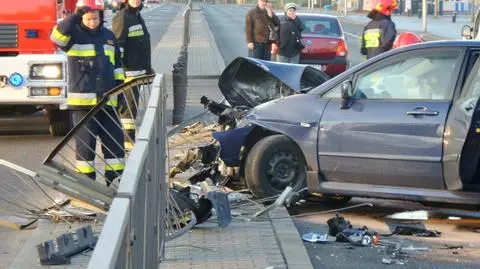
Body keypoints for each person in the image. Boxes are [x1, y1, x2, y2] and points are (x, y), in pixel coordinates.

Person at [50, 0, 126, 186]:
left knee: (115, 150)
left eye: (96, 18)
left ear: (101, 17)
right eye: (89, 18)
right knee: (85, 154)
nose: (93, 22)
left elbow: (117, 65)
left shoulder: (108, 36)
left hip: (108, 104)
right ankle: (87, 190)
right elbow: (56, 37)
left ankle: (116, 189)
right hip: (84, 108)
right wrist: (74, 16)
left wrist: (121, 90)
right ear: (82, 17)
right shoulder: (73, 35)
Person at [112, 0, 153, 151]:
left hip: (137, 73)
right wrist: (120, 73)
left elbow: (141, 45)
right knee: (127, 110)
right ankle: (127, 143)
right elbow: (117, 48)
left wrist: (148, 69)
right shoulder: (123, 17)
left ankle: (128, 141)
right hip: (127, 75)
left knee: (132, 109)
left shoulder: (136, 16)